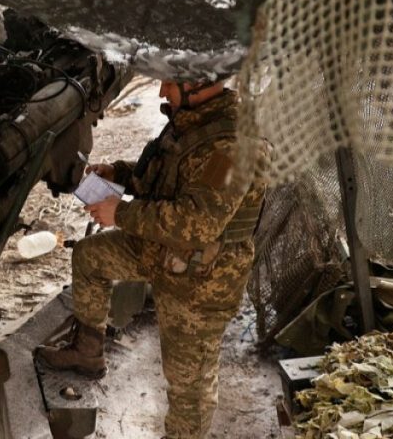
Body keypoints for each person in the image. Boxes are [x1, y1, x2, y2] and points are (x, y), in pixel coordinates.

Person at [35, 77, 270, 439]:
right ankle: (87, 352)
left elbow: (198, 223)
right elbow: (164, 177)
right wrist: (119, 173)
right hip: (159, 251)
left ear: (199, 83)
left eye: (170, 84)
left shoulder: (233, 143)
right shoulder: (191, 120)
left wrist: (122, 214)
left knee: (187, 383)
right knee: (90, 256)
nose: (162, 92)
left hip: (201, 280)